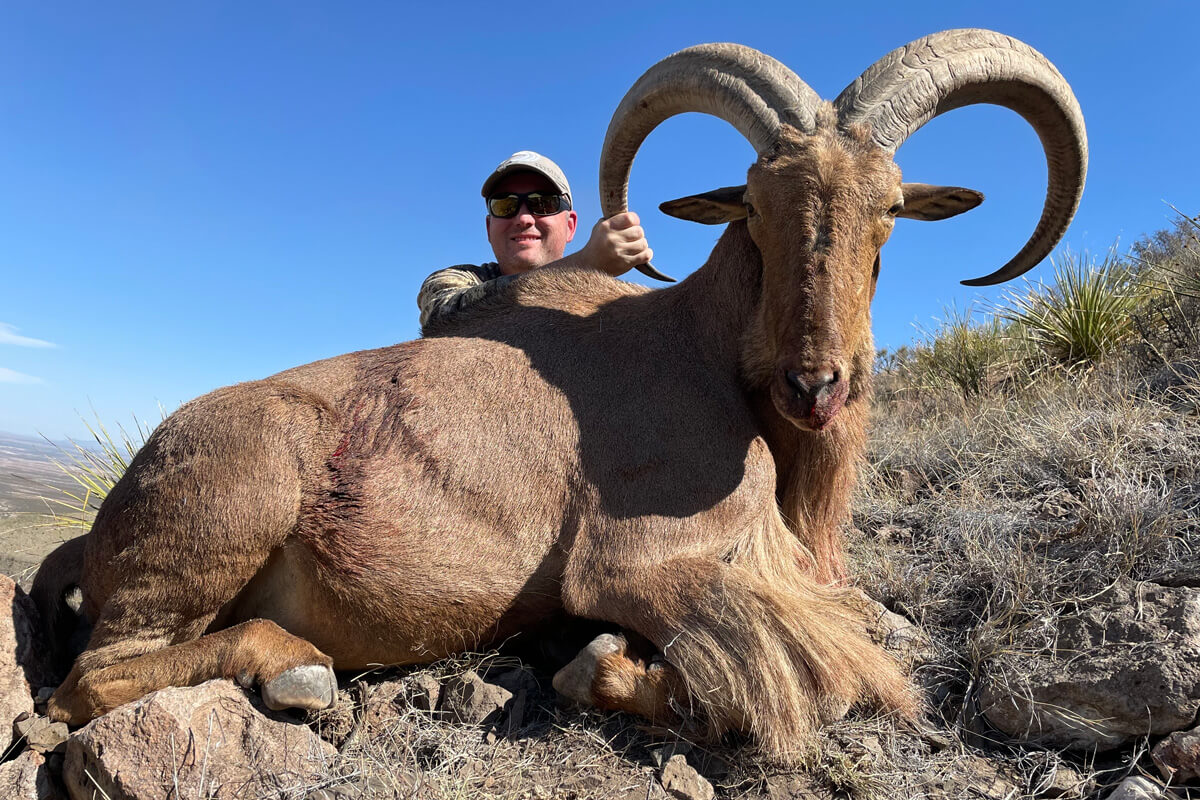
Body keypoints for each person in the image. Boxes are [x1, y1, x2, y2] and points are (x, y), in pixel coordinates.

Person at [417, 151, 652, 330]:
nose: (524, 217)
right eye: (504, 205)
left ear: (570, 226)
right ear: (489, 228)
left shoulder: (611, 305)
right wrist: (584, 265)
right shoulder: (454, 281)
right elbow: (441, 318)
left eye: (544, 203)